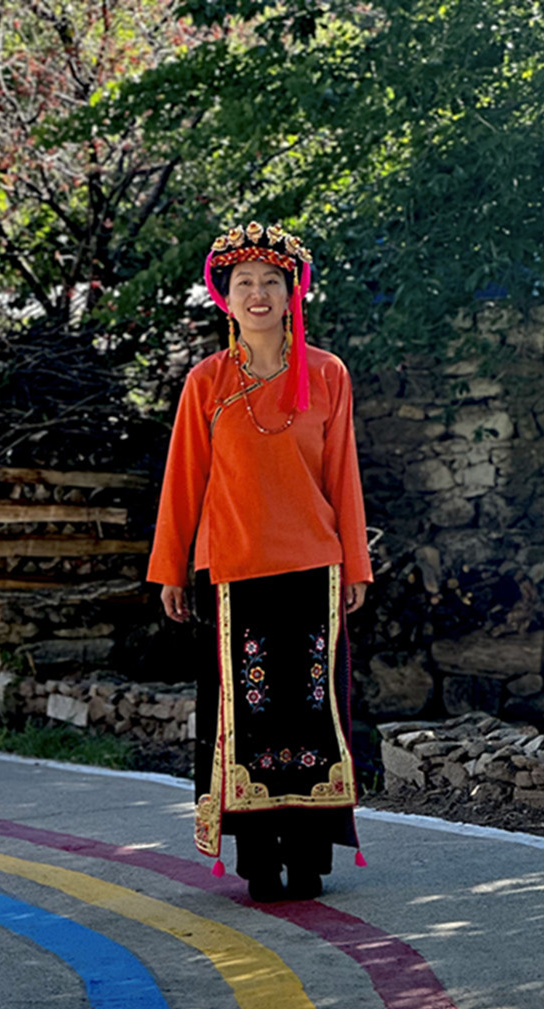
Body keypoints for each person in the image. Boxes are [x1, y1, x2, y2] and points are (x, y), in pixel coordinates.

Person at [147, 221, 373, 901]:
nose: (258, 294)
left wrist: (356, 564)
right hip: (232, 572)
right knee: (247, 716)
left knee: (309, 712)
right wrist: (170, 568)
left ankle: (309, 858)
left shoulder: (328, 374)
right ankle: (259, 862)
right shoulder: (207, 381)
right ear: (225, 295)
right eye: (244, 282)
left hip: (312, 568)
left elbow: (343, 475)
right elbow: (183, 480)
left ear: (291, 292)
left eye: (271, 281)